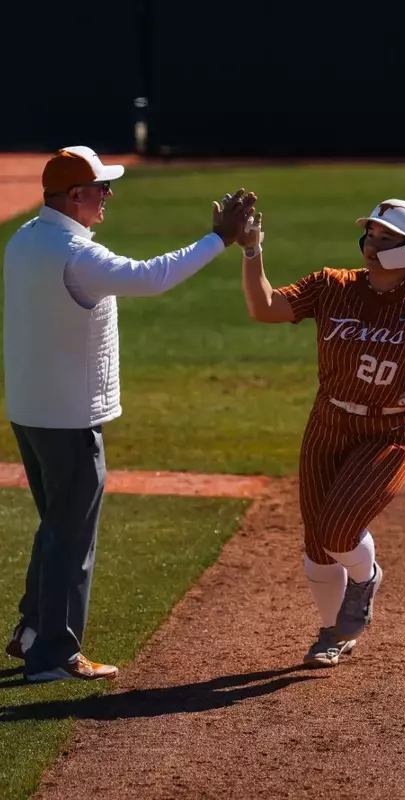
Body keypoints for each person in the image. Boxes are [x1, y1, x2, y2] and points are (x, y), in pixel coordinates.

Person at [3, 146, 256, 682]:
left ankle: (31, 632)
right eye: (101, 188)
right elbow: (152, 277)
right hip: (68, 417)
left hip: (30, 410)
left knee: (55, 526)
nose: (108, 196)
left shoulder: (25, 239)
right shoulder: (76, 255)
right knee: (72, 537)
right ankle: (55, 654)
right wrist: (219, 238)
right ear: (75, 195)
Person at [238, 198, 405, 668]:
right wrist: (253, 252)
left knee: (338, 528)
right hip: (328, 422)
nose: (372, 245)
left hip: (389, 430)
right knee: (317, 545)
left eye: (385, 239)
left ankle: (366, 576)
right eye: (371, 235)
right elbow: (266, 308)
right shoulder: (331, 285)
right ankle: (334, 632)